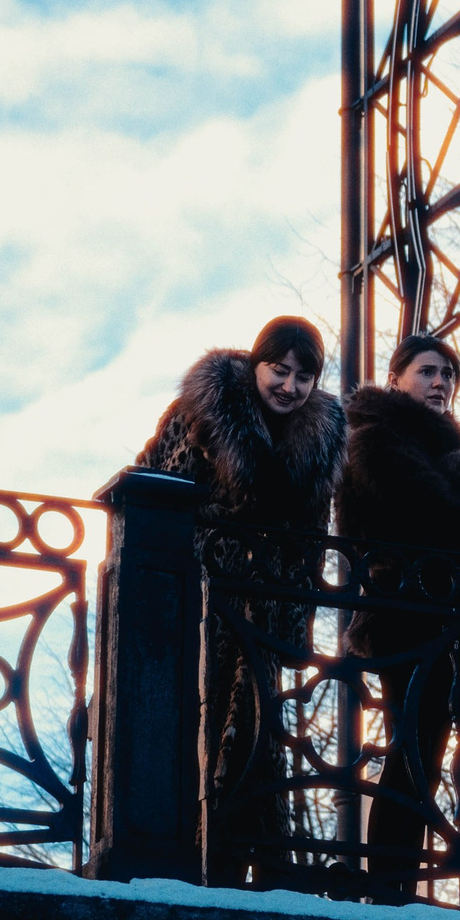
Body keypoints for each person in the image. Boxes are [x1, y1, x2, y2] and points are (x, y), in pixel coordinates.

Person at [134, 316, 346, 882]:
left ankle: (244, 867)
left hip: (262, 613)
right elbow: (153, 494)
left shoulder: (319, 439)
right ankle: (190, 867)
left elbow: (311, 543)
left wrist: (296, 624)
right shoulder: (201, 414)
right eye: (279, 371)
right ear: (256, 365)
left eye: (304, 377)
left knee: (254, 741)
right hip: (194, 606)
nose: (290, 387)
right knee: (186, 735)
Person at [335, 333, 460, 900]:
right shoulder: (375, 437)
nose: (441, 384)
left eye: (448, 375)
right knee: (412, 750)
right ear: (396, 379)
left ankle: (398, 880)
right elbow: (447, 517)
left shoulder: (430, 445)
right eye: (428, 372)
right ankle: (389, 885)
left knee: (424, 752)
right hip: (399, 616)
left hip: (433, 617)